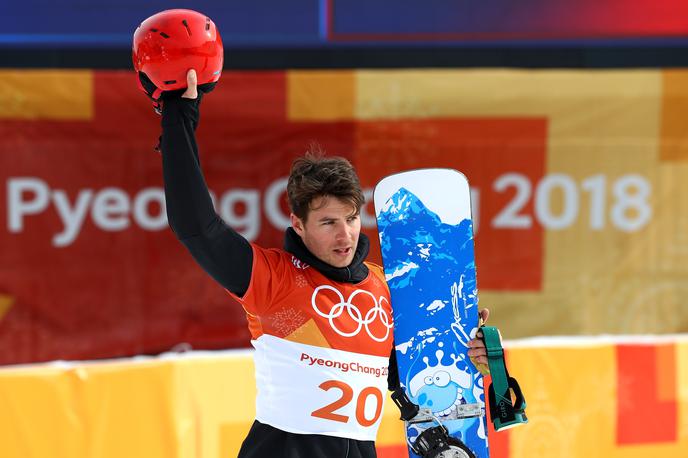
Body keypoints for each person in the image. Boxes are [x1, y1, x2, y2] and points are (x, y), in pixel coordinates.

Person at [157, 69, 490, 458]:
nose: (345, 235)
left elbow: (413, 376)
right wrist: (179, 116)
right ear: (298, 224)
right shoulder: (272, 279)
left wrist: (469, 353)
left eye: (350, 218)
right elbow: (197, 227)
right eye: (328, 223)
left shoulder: (385, 288)